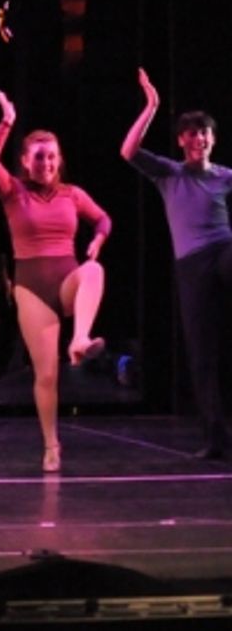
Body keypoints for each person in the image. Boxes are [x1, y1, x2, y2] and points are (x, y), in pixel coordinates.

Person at [0, 90, 110, 472]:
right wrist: (7, 121)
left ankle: (80, 339)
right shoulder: (12, 191)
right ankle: (51, 445)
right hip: (32, 288)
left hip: (67, 279)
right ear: (25, 161)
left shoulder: (72, 195)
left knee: (94, 270)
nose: (46, 163)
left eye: (52, 156)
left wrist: (99, 238)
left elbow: (103, 218)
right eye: (38, 156)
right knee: (47, 373)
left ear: (60, 159)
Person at [121, 68, 232, 459]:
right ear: (182, 141)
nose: (199, 138)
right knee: (202, 354)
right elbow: (128, 151)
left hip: (224, 251)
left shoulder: (225, 177)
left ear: (213, 139)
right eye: (192, 133)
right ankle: (216, 439)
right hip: (192, 266)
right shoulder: (168, 173)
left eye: (205, 133)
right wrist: (151, 105)